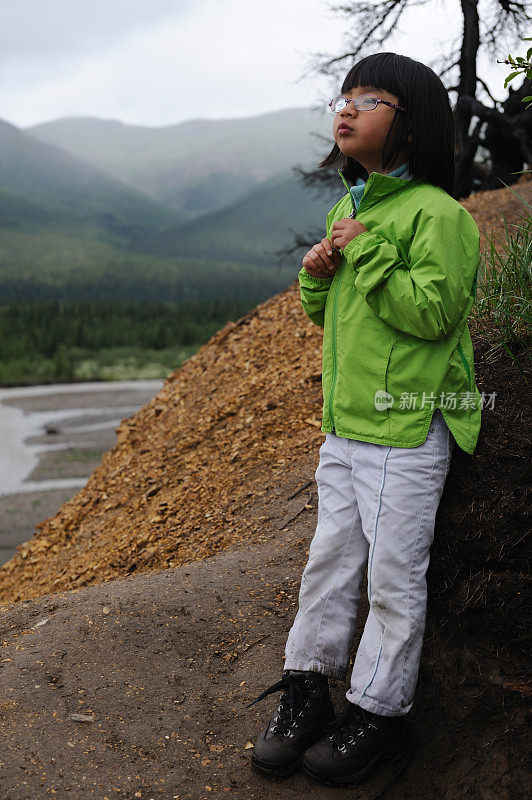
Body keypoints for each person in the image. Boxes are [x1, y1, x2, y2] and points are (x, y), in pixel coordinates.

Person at [246, 52, 482, 788]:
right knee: (328, 565)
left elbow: (435, 313)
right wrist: (317, 274)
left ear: (411, 123)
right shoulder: (349, 209)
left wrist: (370, 253)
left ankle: (378, 710)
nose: (345, 109)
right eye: (343, 98)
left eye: (369, 98)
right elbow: (335, 316)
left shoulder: (439, 214)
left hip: (407, 426)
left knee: (392, 576)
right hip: (346, 425)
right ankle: (307, 689)